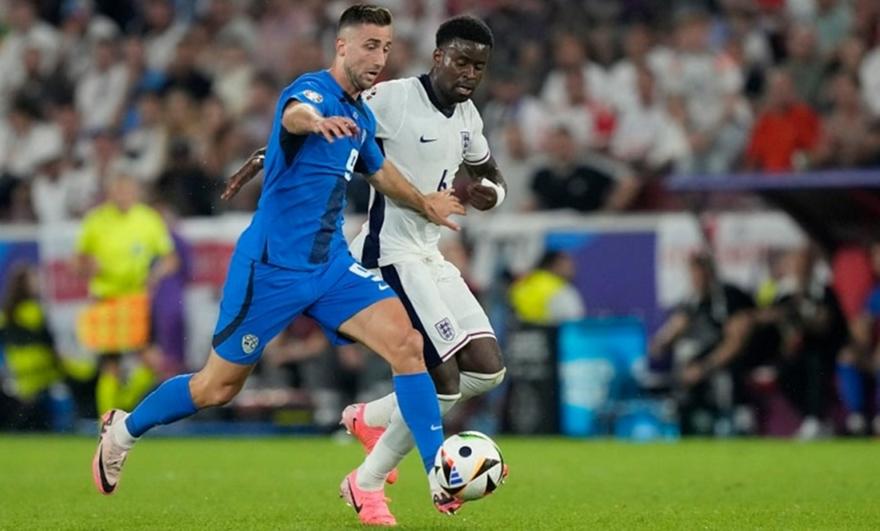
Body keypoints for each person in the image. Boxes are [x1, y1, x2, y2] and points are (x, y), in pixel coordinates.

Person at [91, 6, 464, 517]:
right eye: (369, 46)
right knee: (215, 387)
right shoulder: (312, 92)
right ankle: (124, 430)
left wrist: (425, 203)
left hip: (330, 268)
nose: (379, 57)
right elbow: (294, 116)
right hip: (270, 271)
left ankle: (438, 473)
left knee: (407, 344)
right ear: (342, 46)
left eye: (385, 47)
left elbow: (380, 173)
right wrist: (316, 122)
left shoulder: (360, 117)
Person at [222, 15, 508, 525]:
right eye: (461, 61)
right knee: (441, 381)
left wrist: (492, 193)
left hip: (430, 253)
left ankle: (369, 416)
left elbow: (490, 173)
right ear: (438, 57)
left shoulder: (468, 116)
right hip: (388, 252)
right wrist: (268, 154)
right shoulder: (394, 99)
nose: (469, 73)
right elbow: (329, 125)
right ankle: (367, 482)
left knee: (488, 370)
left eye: (479, 67)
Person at [75, 173, 178, 417]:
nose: (123, 195)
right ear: (110, 193)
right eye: (118, 190)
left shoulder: (148, 220)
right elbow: (78, 262)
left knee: (152, 362)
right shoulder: (96, 221)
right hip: (107, 300)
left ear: (137, 192)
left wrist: (155, 275)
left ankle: (124, 404)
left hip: (136, 301)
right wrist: (89, 267)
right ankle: (106, 421)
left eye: (127, 190)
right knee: (110, 365)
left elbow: (170, 260)